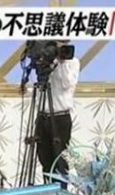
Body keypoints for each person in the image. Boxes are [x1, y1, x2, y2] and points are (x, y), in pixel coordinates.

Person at [36, 42, 80, 184]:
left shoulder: (73, 62)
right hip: (42, 116)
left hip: (61, 117)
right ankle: (47, 192)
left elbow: (67, 84)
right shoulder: (45, 58)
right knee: (44, 160)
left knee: (60, 162)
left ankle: (61, 193)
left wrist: (62, 63)